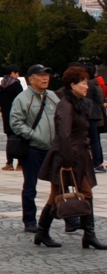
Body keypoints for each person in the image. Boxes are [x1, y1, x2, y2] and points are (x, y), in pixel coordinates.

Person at [35, 66, 106, 249]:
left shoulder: (79, 104)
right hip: (66, 158)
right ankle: (42, 231)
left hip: (79, 156)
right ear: (73, 85)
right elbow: (64, 135)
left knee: (86, 192)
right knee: (56, 196)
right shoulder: (65, 105)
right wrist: (67, 161)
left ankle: (89, 234)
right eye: (83, 83)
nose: (87, 86)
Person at [10, 64, 60, 233]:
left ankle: (70, 216)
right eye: (41, 75)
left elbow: (61, 117)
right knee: (30, 185)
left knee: (61, 184)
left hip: (53, 149)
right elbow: (16, 123)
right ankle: (30, 220)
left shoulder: (52, 96)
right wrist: (34, 135)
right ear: (31, 79)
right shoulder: (22, 99)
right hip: (33, 149)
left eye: (47, 74)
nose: (45, 78)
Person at [0, 64, 24, 171]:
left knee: (10, 138)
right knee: (20, 138)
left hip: (6, 115)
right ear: (12, 73)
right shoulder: (17, 85)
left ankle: (9, 162)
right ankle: (20, 163)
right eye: (17, 73)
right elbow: (21, 100)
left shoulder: (1, 86)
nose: (18, 75)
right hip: (16, 115)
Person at [84, 65, 106, 173]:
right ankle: (99, 161)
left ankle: (97, 162)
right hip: (97, 114)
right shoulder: (97, 84)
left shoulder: (89, 85)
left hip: (91, 115)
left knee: (93, 140)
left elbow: (87, 101)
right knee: (96, 139)